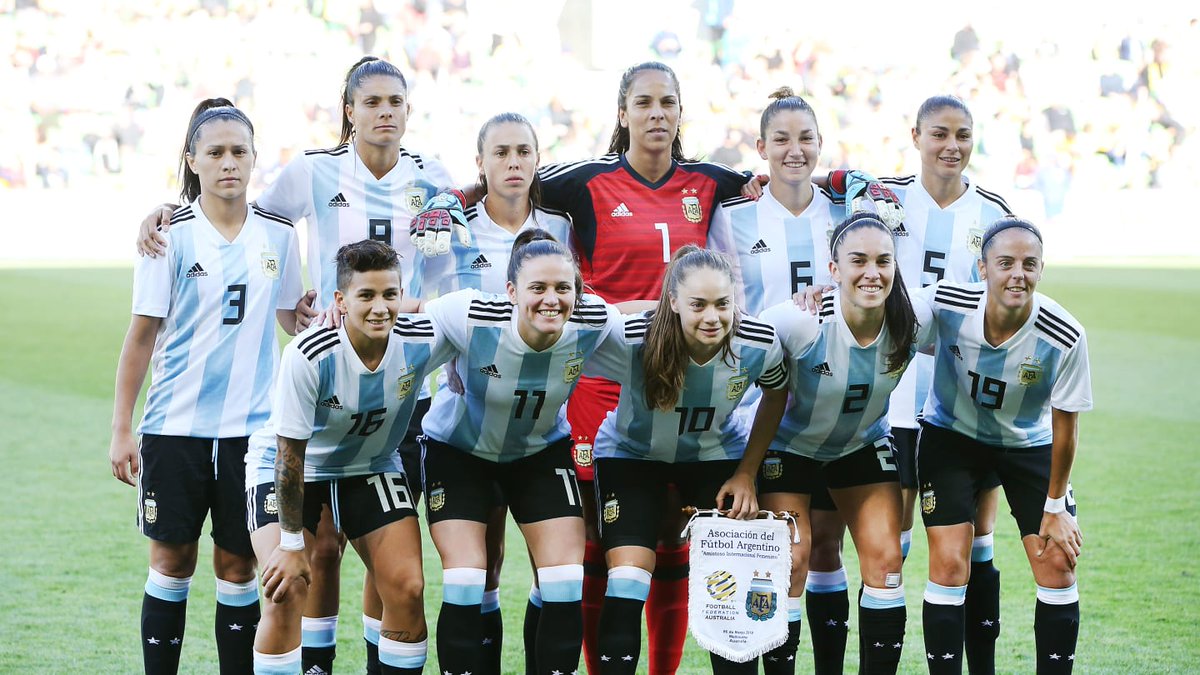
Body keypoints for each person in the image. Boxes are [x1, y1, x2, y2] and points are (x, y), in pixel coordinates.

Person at [138, 56, 455, 674]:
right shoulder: (314, 171)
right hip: (329, 371)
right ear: (349, 111)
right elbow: (241, 208)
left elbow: (451, 262)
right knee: (321, 549)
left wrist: (422, 310)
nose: (385, 113)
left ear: (409, 110)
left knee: (387, 555)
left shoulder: (433, 178)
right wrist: (168, 212)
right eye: (372, 102)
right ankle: (313, 663)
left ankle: (371, 655)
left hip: (402, 381)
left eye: (396, 102)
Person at [536, 61, 755, 675]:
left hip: (687, 383)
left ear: (681, 114)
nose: (657, 114)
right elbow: (519, 178)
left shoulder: (713, 183)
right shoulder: (581, 184)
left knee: (677, 540)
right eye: (644, 103)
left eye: (668, 103)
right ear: (622, 112)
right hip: (604, 385)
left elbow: (780, 180)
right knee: (602, 542)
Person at [109, 98, 303, 675]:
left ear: (253, 159)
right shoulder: (167, 237)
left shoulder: (281, 235)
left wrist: (313, 313)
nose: (228, 163)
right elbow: (141, 335)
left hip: (253, 433)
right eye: (214, 152)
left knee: (240, 567)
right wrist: (122, 429)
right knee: (171, 563)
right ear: (191, 160)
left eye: (238, 151)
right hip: (174, 428)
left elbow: (290, 314)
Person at [244, 239, 452, 675]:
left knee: (408, 586)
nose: (380, 308)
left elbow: (478, 317)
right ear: (341, 300)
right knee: (286, 587)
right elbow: (289, 459)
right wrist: (290, 542)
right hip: (290, 469)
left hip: (370, 467)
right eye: (366, 296)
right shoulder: (308, 355)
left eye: (390, 295)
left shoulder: (421, 340)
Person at [421, 229, 620, 675]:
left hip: (539, 452)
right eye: (538, 288)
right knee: (468, 577)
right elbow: (408, 322)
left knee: (565, 579)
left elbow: (641, 322)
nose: (552, 300)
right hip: (460, 453)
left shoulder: (592, 318)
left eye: (562, 288)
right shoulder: (470, 313)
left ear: (578, 291)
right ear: (510, 291)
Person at [583, 246, 789, 675]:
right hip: (631, 455)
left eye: (722, 304)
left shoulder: (758, 341)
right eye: (698, 305)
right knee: (629, 574)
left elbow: (776, 392)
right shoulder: (631, 338)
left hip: (716, 456)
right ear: (673, 302)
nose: (712, 317)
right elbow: (569, 336)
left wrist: (747, 473)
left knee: (730, 576)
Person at [918, 217, 1090, 674]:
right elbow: (883, 311)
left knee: (1056, 561)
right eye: (1006, 263)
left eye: (1030, 264)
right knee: (951, 561)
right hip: (951, 438)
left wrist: (1056, 505)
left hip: (1028, 444)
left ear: (1041, 269)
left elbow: (1066, 427)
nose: (1018, 274)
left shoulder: (1064, 334)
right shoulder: (947, 304)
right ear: (982, 268)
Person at [757, 213, 927, 675]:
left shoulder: (913, 320)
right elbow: (737, 343)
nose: (872, 272)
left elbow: (976, 325)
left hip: (860, 445)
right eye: (858, 261)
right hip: (790, 449)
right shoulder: (799, 320)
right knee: (793, 560)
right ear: (832, 270)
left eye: (883, 261)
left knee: (888, 561)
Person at [880, 95, 1014, 672]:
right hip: (891, 398)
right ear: (916, 136)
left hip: (965, 403)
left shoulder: (993, 211)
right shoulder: (882, 199)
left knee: (976, 537)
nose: (951, 146)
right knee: (893, 542)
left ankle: (978, 663)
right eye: (939, 134)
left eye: (962, 134)